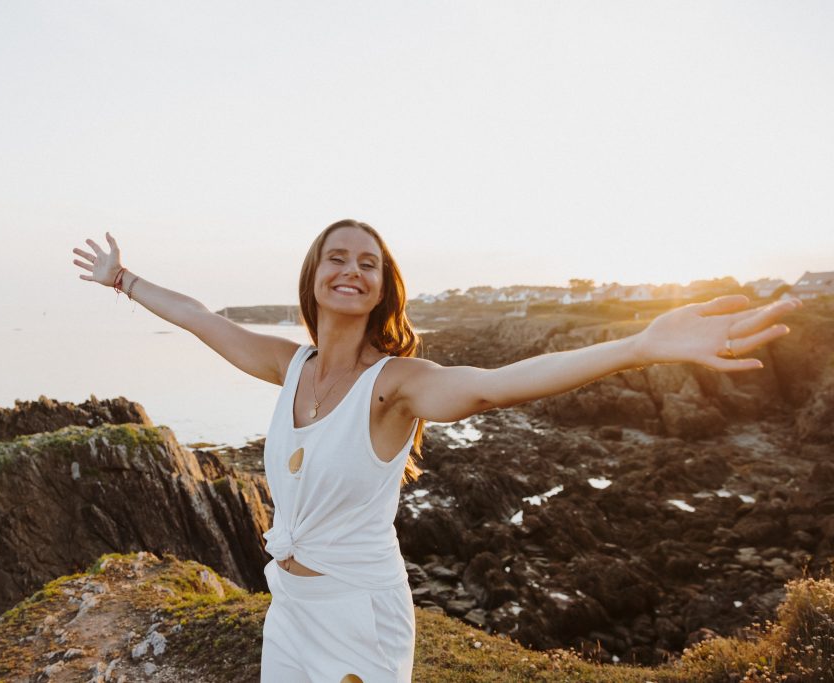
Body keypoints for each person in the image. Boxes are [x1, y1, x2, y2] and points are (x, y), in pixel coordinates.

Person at [72, 219, 802, 682]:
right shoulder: (288, 364)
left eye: (368, 262)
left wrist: (639, 346)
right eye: (337, 258)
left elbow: (491, 388)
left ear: (383, 287)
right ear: (315, 276)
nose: (352, 269)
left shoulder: (396, 385)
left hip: (359, 613)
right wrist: (123, 279)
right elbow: (202, 319)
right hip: (291, 605)